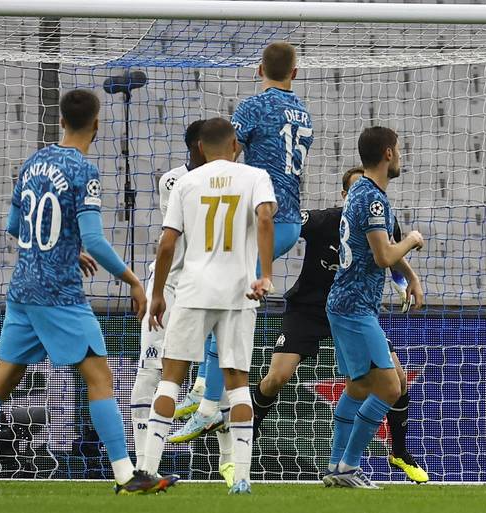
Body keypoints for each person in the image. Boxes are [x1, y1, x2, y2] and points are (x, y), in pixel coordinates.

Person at [0, 89, 172, 495]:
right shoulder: (83, 171)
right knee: (100, 378)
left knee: (0, 381)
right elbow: (97, 241)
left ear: (62, 121)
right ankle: (125, 475)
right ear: (97, 124)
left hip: (23, 289)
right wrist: (135, 281)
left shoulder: (34, 161)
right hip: (59, 294)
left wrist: (66, 246)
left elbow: (16, 227)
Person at [172, 40, 313, 441]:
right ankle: (202, 387)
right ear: (295, 73)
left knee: (226, 301)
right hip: (288, 222)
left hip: (263, 220)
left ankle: (210, 406)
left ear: (258, 69)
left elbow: (228, 154)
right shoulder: (304, 113)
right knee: (225, 294)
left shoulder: (253, 107)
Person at [250, 166, 428, 483]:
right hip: (311, 309)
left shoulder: (380, 217)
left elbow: (392, 254)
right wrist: (261, 265)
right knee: (277, 377)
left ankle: (396, 452)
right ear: (345, 195)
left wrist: (405, 283)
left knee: (395, 381)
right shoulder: (324, 220)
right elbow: (287, 227)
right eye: (356, 189)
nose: (364, 194)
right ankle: (247, 432)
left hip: (353, 310)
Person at [139, 117, 277, 495]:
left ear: (199, 147)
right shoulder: (255, 177)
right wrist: (264, 274)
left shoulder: (186, 182)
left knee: (170, 379)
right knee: (238, 385)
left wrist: (157, 295)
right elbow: (265, 217)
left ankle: (147, 470)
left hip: (193, 290)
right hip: (238, 292)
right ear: (235, 144)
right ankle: (243, 477)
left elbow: (167, 244)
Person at [322, 127, 424, 489]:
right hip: (354, 308)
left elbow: (379, 249)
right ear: (387, 154)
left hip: (350, 304)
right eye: (397, 149)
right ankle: (348, 466)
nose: (399, 156)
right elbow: (384, 255)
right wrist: (412, 240)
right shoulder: (374, 199)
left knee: (359, 387)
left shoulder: (363, 191)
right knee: (391, 389)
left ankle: (336, 466)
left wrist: (410, 275)